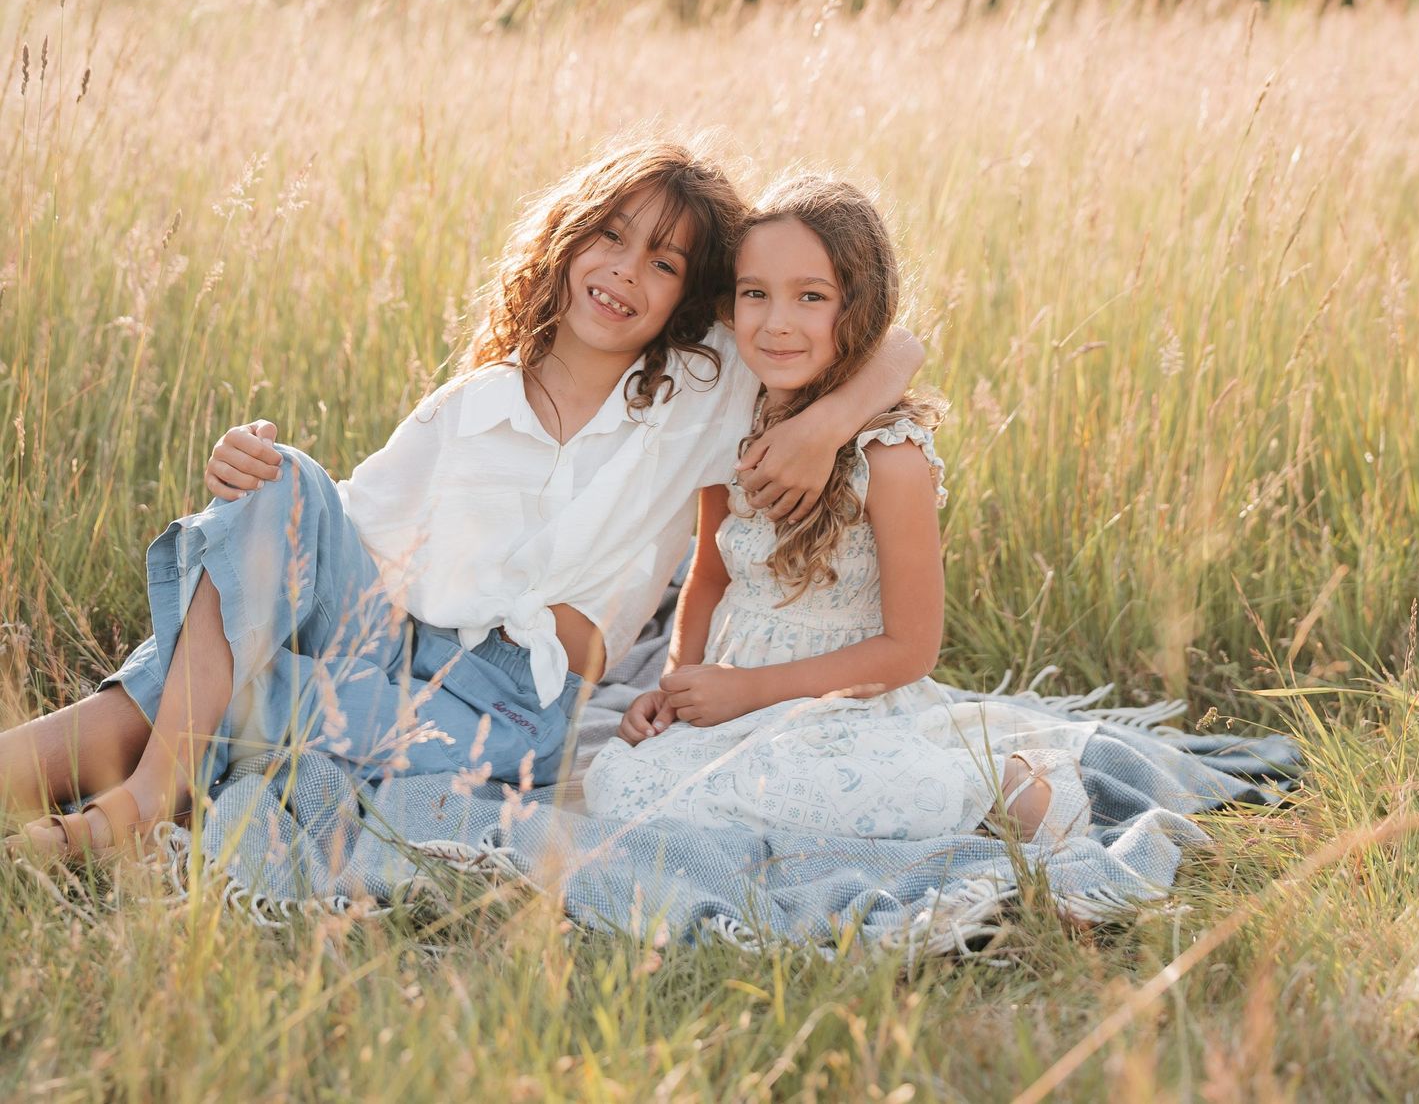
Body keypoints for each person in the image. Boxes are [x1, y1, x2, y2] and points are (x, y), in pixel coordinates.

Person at [2, 141, 925, 864]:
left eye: (664, 262)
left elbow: (898, 340)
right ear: (567, 241)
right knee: (277, 481)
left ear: (693, 297)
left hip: (514, 704)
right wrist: (252, 474)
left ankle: (112, 793)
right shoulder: (473, 406)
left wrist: (824, 425)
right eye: (610, 236)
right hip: (395, 647)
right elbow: (334, 541)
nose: (626, 273)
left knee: (215, 682)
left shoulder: (700, 388)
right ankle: (142, 803)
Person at [584, 172, 1091, 845]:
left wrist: (751, 691)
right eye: (756, 294)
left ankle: (993, 782)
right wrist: (677, 690)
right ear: (730, 307)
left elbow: (911, 650)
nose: (778, 322)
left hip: (850, 704)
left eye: (811, 297)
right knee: (622, 784)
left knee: (891, 792)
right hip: (733, 699)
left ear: (858, 309)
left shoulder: (892, 459)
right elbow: (708, 577)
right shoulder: (730, 430)